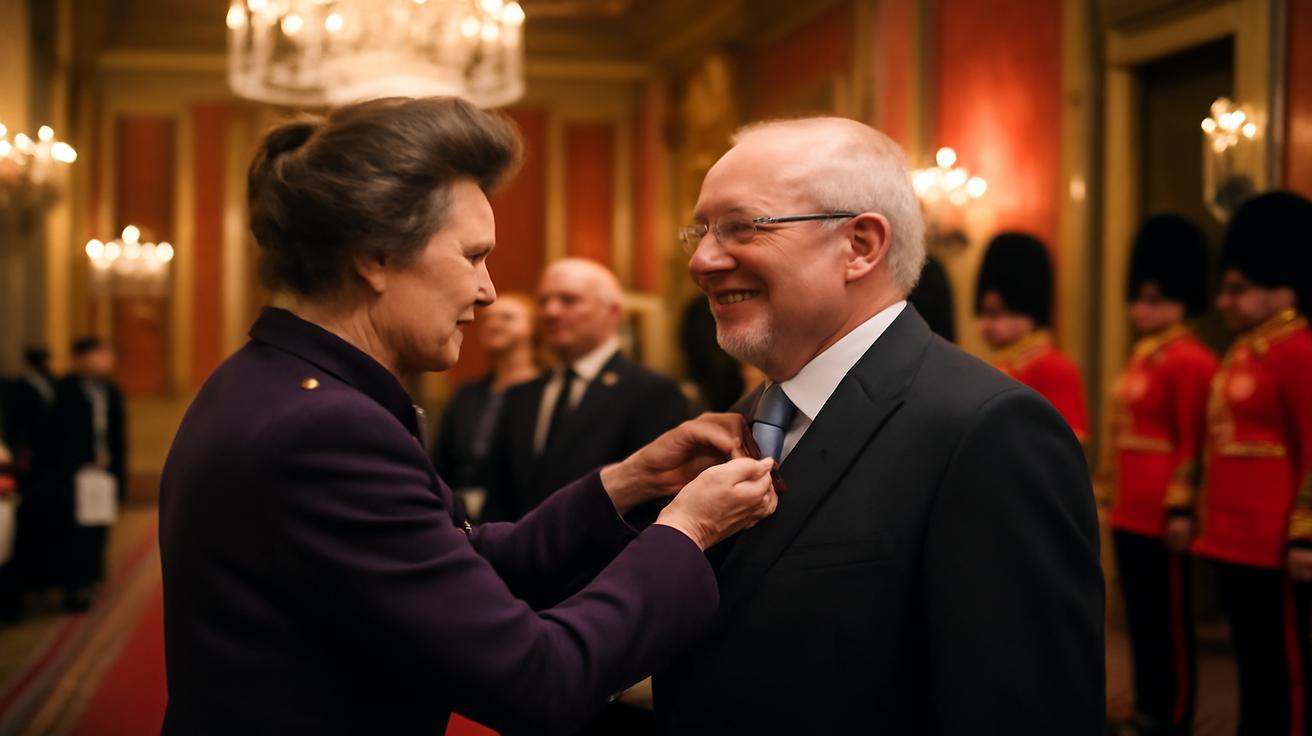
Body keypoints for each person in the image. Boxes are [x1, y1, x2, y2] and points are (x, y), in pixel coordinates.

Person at [158, 96, 778, 735]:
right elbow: (540, 679)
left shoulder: (269, 380)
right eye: (473, 256)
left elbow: (452, 563)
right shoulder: (325, 430)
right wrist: (685, 531)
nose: (487, 289)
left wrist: (630, 481)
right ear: (374, 255)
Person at [657, 117, 1104, 733]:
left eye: (741, 227)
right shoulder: (734, 425)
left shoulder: (988, 430)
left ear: (860, 246)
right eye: (700, 231)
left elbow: (1023, 704)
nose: (703, 260)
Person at [1190, 191, 1312, 736]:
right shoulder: (1249, 349)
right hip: (1234, 535)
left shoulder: (1298, 350)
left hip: (1274, 539)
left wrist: (1305, 534)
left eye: (1239, 288)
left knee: (1282, 667)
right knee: (1253, 662)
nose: (1225, 301)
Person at [1104, 214, 1216, 736]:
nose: (1142, 307)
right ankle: (1149, 704)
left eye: (1156, 298)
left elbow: (1193, 440)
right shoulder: (1145, 356)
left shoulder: (1191, 361)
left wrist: (1180, 506)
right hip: (1131, 507)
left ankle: (1172, 714)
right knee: (1142, 619)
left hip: (1160, 511)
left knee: (1169, 623)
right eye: (1140, 297)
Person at [482, 259, 691, 524]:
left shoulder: (652, 392)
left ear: (613, 312)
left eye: (568, 300)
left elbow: (657, 501)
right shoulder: (522, 395)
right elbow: (499, 495)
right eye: (543, 301)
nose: (551, 312)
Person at [432, 292, 540, 520]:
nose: (493, 324)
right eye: (488, 318)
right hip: (458, 514)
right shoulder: (468, 392)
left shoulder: (546, 392)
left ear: (533, 327)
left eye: (507, 317)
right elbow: (442, 457)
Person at [975, 232, 1090, 441]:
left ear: (1027, 309)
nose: (985, 325)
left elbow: (1065, 447)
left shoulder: (1055, 368)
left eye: (997, 313)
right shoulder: (1003, 364)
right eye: (983, 313)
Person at [54, 337, 126, 612]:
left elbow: (119, 437)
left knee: (99, 527)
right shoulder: (66, 390)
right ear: (81, 358)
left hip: (104, 472)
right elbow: (56, 437)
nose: (106, 360)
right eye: (100, 354)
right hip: (76, 473)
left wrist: (118, 473)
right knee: (75, 533)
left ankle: (93, 579)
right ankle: (74, 587)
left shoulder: (111, 391)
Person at [4, 348, 61, 597]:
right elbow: (16, 422)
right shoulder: (20, 387)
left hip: (48, 458)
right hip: (29, 460)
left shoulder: (53, 382)